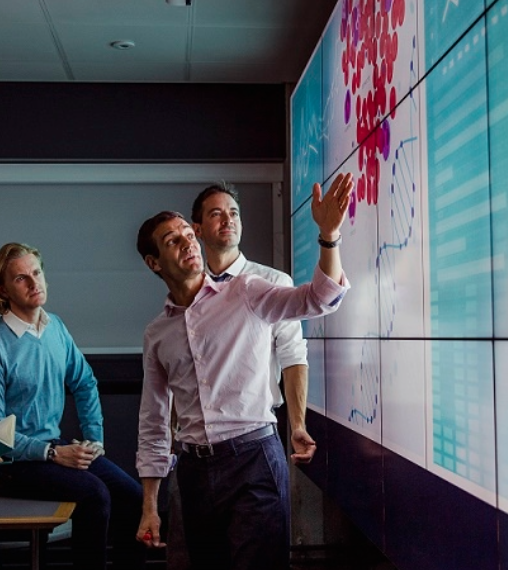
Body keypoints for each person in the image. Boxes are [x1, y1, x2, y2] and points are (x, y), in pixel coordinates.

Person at [134, 173, 354, 570]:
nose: (187, 243)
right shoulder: (156, 334)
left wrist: (329, 237)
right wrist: (150, 505)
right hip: (194, 469)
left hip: (253, 458)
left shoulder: (248, 290)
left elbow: (320, 299)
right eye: (173, 241)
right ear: (154, 263)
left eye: (187, 234)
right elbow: (153, 422)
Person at [0, 243, 146, 570]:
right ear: (2, 289)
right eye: (21, 278)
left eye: (37, 272)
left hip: (53, 450)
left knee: (132, 496)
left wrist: (94, 441)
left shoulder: (55, 328)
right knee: (94, 494)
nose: (34, 283)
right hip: (6, 466)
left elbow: (85, 383)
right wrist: (52, 454)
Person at [191, 182, 315, 461]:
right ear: (196, 228)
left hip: (254, 441)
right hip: (197, 445)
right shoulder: (191, 292)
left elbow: (293, 356)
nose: (228, 220)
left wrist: (298, 425)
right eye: (215, 214)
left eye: (234, 213)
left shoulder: (272, 282)